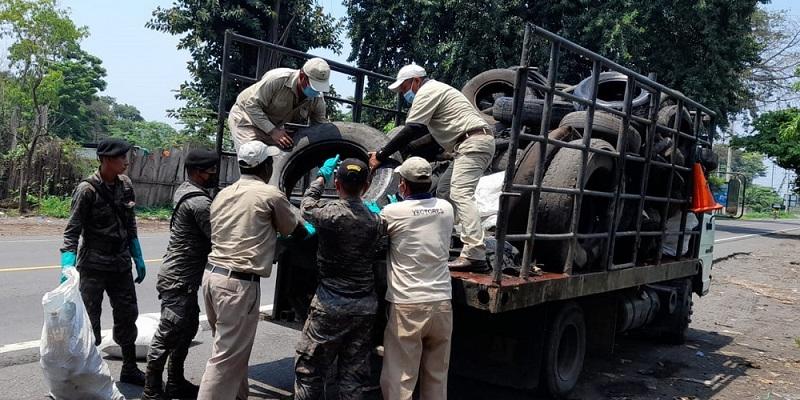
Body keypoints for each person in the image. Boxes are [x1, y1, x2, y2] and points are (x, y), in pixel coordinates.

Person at [197, 141, 312, 400]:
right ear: (266, 165)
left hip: (212, 277)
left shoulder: (224, 193)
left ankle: (239, 396)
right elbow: (294, 230)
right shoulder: (269, 195)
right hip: (238, 284)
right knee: (225, 357)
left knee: (231, 350)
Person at [369, 64, 495, 272]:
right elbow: (427, 138)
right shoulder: (437, 92)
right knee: (445, 191)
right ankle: (446, 243)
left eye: (404, 88)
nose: (404, 94)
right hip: (468, 143)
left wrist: (381, 155)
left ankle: (474, 254)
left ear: (416, 81)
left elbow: (412, 128)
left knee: (461, 193)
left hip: (472, 142)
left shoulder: (428, 91)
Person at [59, 137, 147, 386]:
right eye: (121, 157)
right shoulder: (86, 189)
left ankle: (129, 368)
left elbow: (130, 223)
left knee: (128, 316)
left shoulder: (126, 185)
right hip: (93, 266)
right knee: (89, 322)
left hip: (120, 264)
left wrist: (137, 254)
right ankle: (88, 374)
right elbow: (72, 231)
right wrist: (67, 265)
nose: (126, 162)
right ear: (107, 160)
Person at [294, 157, 384, 400]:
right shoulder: (376, 220)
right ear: (366, 185)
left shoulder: (330, 214)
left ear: (337, 182)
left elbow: (306, 206)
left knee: (310, 371)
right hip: (365, 306)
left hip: (330, 305)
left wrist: (320, 177)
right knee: (353, 375)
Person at [142, 149, 219, 400]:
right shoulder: (199, 202)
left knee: (187, 329)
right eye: (211, 172)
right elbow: (218, 237)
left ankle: (175, 382)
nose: (214, 176)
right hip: (179, 279)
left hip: (181, 278)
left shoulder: (184, 189)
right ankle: (152, 390)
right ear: (198, 172)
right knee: (168, 334)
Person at [378, 157, 455, 400]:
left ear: (403, 185)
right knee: (436, 377)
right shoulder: (446, 208)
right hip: (442, 302)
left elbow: (375, 236)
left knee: (400, 380)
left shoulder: (392, 211)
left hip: (407, 305)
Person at [229, 57, 331, 151]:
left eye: (319, 87)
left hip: (274, 126)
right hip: (246, 118)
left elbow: (320, 127)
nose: (316, 91)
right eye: (314, 86)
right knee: (252, 155)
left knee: (282, 159)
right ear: (302, 76)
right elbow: (252, 106)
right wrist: (273, 131)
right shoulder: (278, 79)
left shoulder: (317, 98)